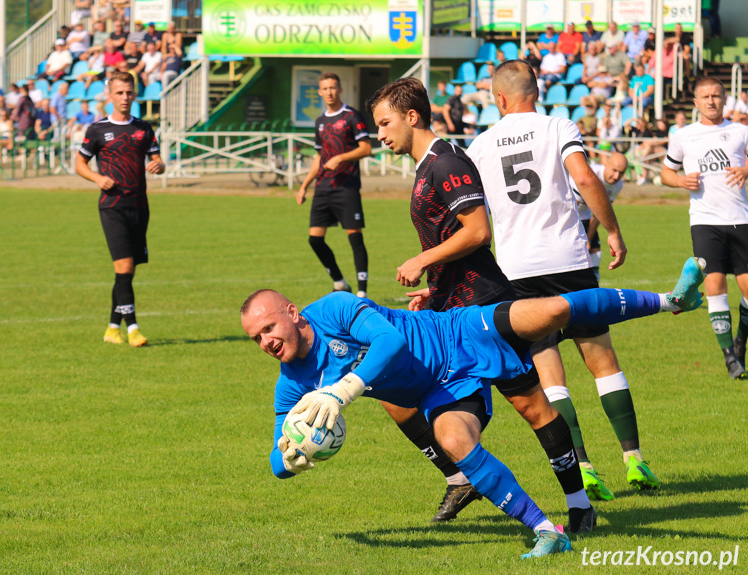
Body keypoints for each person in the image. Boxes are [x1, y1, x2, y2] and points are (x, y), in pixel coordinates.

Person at [242, 263, 705, 555]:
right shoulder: (294, 384)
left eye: (268, 327)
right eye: (256, 338)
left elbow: (391, 341)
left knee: (551, 312)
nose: (266, 342)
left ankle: (672, 300)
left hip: (457, 332)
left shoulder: (334, 308)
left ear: (293, 311)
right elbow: (276, 454)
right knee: (454, 441)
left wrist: (342, 390)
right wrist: (290, 459)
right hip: (440, 391)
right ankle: (549, 531)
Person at [366, 77, 598, 530]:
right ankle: (459, 476)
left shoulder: (447, 160)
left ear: (412, 117)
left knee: (534, 409)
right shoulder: (424, 166)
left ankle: (579, 506)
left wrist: (422, 260)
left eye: (384, 123)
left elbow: (477, 231)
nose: (379, 133)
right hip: (448, 313)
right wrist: (434, 288)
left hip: (484, 310)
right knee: (393, 392)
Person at [466, 60, 659, 502]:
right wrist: (612, 230)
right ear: (537, 92)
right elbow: (586, 178)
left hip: (516, 270)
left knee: (549, 372)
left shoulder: (480, 145)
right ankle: (633, 458)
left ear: (498, 99)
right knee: (602, 360)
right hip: (568, 260)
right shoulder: (557, 126)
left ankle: (585, 466)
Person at [661, 77, 748, 379]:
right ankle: (729, 357)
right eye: (705, 96)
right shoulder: (684, 136)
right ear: (695, 102)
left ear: (725, 100)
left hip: (741, 219)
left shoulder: (740, 132)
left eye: (716, 95)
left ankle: (740, 343)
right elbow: (665, 173)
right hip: (705, 221)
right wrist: (679, 181)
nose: (711, 101)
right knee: (715, 285)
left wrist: (746, 169)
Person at [75, 69, 164, 347]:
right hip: (112, 206)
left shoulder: (144, 129)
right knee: (124, 267)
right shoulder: (97, 129)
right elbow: (79, 163)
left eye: (129, 92)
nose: (125, 97)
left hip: (140, 206)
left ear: (134, 94)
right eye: (119, 93)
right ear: (110, 95)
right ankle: (133, 328)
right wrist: (96, 177)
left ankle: (112, 328)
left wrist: (159, 166)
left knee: (127, 272)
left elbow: (157, 160)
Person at [296, 72, 372, 298]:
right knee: (315, 239)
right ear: (319, 92)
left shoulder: (351, 116)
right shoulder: (320, 122)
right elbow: (318, 158)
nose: (329, 92)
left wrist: (341, 158)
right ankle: (339, 281)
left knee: (354, 236)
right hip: (323, 188)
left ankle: (362, 292)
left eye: (333, 88)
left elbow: (366, 148)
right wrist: (304, 186)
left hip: (346, 186)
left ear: (339, 90)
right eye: (325, 89)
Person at [570, 153, 628, 281]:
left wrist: (589, 239)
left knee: (595, 252)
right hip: (569, 218)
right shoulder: (588, 173)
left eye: (621, 173)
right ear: (605, 164)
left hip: (585, 217)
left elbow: (600, 214)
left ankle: (594, 284)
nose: (616, 176)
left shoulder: (618, 185)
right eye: (614, 170)